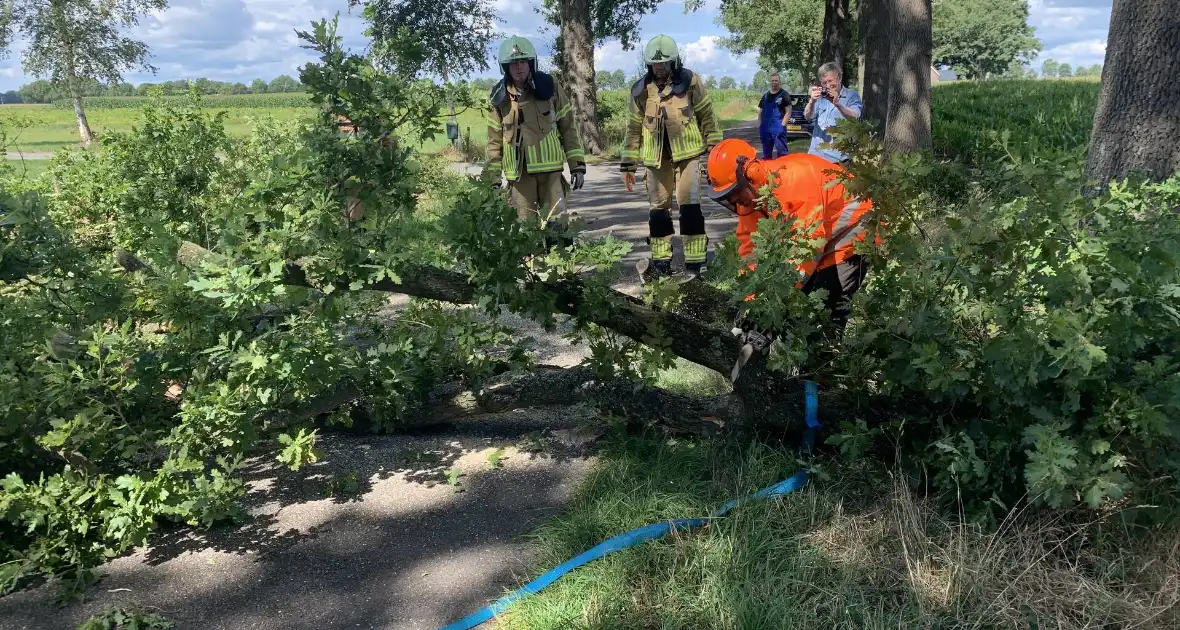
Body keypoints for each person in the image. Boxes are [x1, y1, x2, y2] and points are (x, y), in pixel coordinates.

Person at [704, 137, 877, 379]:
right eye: (728, 196)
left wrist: (774, 303)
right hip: (818, 234)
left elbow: (804, 253)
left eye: (735, 192)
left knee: (826, 305)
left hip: (853, 226)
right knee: (796, 302)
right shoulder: (752, 199)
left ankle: (822, 379)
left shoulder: (796, 181)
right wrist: (753, 302)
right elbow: (750, 252)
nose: (735, 201)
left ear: (752, 173)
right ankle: (785, 368)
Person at [621, 34, 724, 280]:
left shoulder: (690, 82)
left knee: (690, 209)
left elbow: (707, 116)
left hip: (688, 156)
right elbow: (633, 129)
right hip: (656, 161)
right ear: (649, 64)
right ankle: (661, 263)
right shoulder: (640, 91)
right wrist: (628, 165)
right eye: (656, 64)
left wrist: (716, 152)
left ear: (674, 61)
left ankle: (695, 265)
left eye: (665, 63)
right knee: (658, 212)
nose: (660, 68)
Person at [484, 36, 586, 226]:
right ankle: (533, 258)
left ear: (531, 63)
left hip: (551, 175)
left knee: (558, 228)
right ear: (505, 67)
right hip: (519, 178)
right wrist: (493, 179)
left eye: (523, 61)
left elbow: (568, 129)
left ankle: (558, 255)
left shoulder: (551, 87)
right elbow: (494, 142)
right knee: (524, 232)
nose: (519, 67)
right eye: (513, 63)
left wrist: (577, 166)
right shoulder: (499, 98)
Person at [804, 62, 863, 163]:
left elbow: (855, 116)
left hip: (838, 158)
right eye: (824, 82)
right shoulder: (820, 97)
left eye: (830, 81)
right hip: (816, 156)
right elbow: (808, 117)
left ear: (840, 77)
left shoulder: (852, 95)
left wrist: (838, 104)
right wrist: (811, 101)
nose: (827, 86)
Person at [758, 73, 790, 159]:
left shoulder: (784, 95)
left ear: (779, 82)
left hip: (778, 128)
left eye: (776, 81)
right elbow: (760, 112)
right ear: (770, 82)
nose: (774, 82)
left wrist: (782, 126)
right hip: (766, 129)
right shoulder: (765, 96)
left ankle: (783, 171)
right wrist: (761, 126)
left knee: (782, 154)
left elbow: (788, 112)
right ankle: (767, 171)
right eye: (772, 81)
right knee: (766, 154)